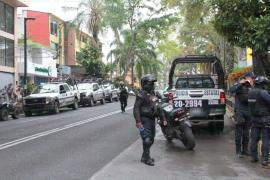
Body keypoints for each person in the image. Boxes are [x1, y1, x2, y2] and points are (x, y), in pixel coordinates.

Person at [133, 74, 167, 166]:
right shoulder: (141, 95)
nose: (152, 85)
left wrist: (162, 117)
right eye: (150, 83)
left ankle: (144, 156)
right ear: (144, 84)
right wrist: (138, 121)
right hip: (144, 120)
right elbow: (136, 108)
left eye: (152, 83)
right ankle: (147, 158)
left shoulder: (154, 94)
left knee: (151, 139)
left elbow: (159, 106)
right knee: (147, 139)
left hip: (152, 120)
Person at [230, 72, 255, 158]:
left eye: (252, 78)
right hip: (240, 111)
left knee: (246, 132)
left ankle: (245, 150)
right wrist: (241, 84)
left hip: (249, 111)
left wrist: (252, 85)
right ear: (246, 77)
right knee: (239, 131)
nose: (252, 79)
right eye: (251, 78)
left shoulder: (252, 86)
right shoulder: (239, 84)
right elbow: (231, 90)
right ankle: (238, 151)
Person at [248, 76, 270, 168]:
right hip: (264, 118)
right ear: (263, 84)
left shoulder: (250, 92)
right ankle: (264, 160)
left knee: (254, 138)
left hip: (254, 118)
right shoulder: (263, 92)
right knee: (266, 139)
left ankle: (253, 157)